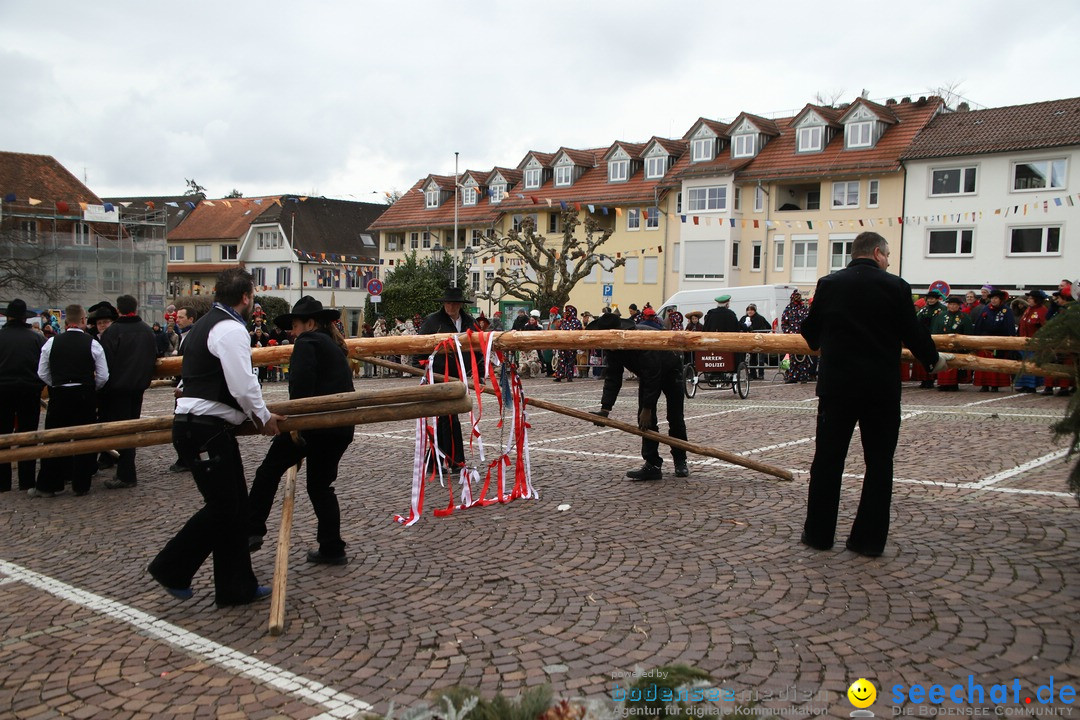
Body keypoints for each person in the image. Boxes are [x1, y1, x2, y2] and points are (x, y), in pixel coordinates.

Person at [800, 232, 947, 557]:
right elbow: (914, 332)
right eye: (889, 254)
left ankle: (818, 534)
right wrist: (934, 360)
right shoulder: (895, 286)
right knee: (879, 464)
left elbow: (810, 333)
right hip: (879, 388)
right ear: (878, 253)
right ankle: (867, 541)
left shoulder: (828, 283)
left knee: (827, 461)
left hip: (837, 387)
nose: (890, 260)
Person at [148, 267, 282, 607]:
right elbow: (242, 384)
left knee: (235, 508)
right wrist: (264, 417)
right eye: (252, 296)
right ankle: (171, 567)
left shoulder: (203, 327)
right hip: (204, 427)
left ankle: (236, 587)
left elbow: (188, 380)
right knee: (224, 507)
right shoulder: (229, 329)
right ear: (245, 297)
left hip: (202, 425)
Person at [248, 297, 354, 565]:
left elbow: (300, 388)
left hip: (312, 425)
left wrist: (293, 427)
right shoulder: (333, 344)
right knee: (320, 486)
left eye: (294, 326)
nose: (292, 333)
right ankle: (332, 548)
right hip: (339, 427)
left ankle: (251, 530)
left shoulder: (307, 343)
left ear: (310, 323)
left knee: (268, 472)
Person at [588, 312, 689, 480]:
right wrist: (605, 409)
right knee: (645, 422)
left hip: (671, 370)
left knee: (675, 417)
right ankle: (652, 464)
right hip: (648, 375)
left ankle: (680, 461)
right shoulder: (612, 347)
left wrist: (647, 408)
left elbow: (653, 376)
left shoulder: (642, 340)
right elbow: (613, 378)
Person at [34, 304, 110, 497]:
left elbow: (42, 372)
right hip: (84, 394)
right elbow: (103, 375)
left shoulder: (51, 342)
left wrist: (56, 384)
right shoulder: (92, 343)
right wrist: (92, 387)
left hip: (60, 394)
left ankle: (49, 485)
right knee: (84, 438)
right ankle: (81, 484)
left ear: (66, 321)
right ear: (83, 320)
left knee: (55, 438)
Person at [416, 286, 483, 470]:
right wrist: (422, 367)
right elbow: (419, 345)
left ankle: (448, 460)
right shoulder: (433, 321)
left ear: (460, 305)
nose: (450, 307)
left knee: (452, 416)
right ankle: (443, 461)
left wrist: (480, 373)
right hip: (438, 376)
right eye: (447, 303)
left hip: (459, 377)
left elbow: (478, 349)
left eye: (454, 303)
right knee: (444, 417)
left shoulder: (470, 322)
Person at [97, 295, 159, 490]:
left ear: (118, 310)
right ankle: (125, 470)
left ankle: (126, 473)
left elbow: (105, 363)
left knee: (123, 430)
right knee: (132, 427)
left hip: (117, 388)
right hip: (138, 386)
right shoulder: (146, 330)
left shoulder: (113, 331)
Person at [0, 299, 46, 492]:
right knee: (28, 435)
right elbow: (44, 367)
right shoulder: (36, 338)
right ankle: (26, 481)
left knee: (2, 436)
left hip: (2, 392)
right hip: (30, 391)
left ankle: (2, 482)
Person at [168, 304, 202, 472]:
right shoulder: (183, 335)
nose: (177, 320)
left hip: (189, 388)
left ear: (191, 319)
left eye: (181, 317)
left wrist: (182, 386)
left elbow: (191, 365)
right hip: (185, 386)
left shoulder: (192, 337)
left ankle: (187, 459)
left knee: (184, 424)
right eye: (177, 317)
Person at [971, 289, 1016, 393]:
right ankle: (984, 384)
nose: (994, 300)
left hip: (1000, 341)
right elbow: (979, 324)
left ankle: (995, 385)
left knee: (996, 363)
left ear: (1000, 300)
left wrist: (1011, 341)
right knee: (983, 363)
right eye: (992, 298)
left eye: (996, 298)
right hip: (985, 341)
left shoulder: (1006, 311)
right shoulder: (986, 309)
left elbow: (1010, 327)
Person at [934, 297, 972, 391]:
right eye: (950, 304)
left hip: (957, 346)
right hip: (942, 345)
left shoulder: (964, 317)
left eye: (955, 305)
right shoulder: (941, 316)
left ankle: (953, 383)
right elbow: (935, 329)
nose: (952, 306)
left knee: (954, 364)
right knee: (942, 363)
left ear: (959, 306)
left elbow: (968, 332)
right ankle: (943, 383)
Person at [1014, 290, 1049, 393]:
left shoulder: (1042, 311)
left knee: (1031, 364)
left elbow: (1045, 326)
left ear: (1036, 300)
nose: (1028, 300)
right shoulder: (1028, 310)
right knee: (1024, 364)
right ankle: (1024, 384)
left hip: (1034, 344)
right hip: (1024, 343)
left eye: (1030, 298)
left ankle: (1031, 385)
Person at [915, 290, 947, 388]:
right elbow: (917, 320)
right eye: (929, 298)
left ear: (937, 299)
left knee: (934, 357)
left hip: (936, 336)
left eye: (933, 298)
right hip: (924, 336)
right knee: (924, 358)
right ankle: (925, 379)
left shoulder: (943, 309)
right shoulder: (924, 309)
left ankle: (932, 379)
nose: (931, 300)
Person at [780, 290, 813, 383]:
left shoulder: (804, 308)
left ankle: (803, 376)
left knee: (804, 358)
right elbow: (784, 323)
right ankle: (793, 376)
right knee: (793, 357)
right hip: (792, 337)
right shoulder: (788, 309)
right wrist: (789, 332)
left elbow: (809, 322)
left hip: (803, 337)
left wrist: (807, 333)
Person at [739, 304, 772, 380]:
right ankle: (752, 374)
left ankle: (761, 374)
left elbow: (768, 327)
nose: (749, 311)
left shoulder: (760, 318)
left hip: (759, 341)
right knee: (751, 358)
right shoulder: (744, 318)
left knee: (760, 359)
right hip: (748, 341)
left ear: (754, 311)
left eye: (751, 310)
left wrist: (763, 334)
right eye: (748, 310)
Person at [553, 304, 582, 381]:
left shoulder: (577, 322)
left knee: (570, 360)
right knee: (561, 360)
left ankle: (569, 376)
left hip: (572, 344)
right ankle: (559, 375)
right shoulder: (563, 321)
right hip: (562, 344)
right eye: (565, 311)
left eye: (567, 312)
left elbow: (579, 332)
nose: (566, 313)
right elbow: (559, 331)